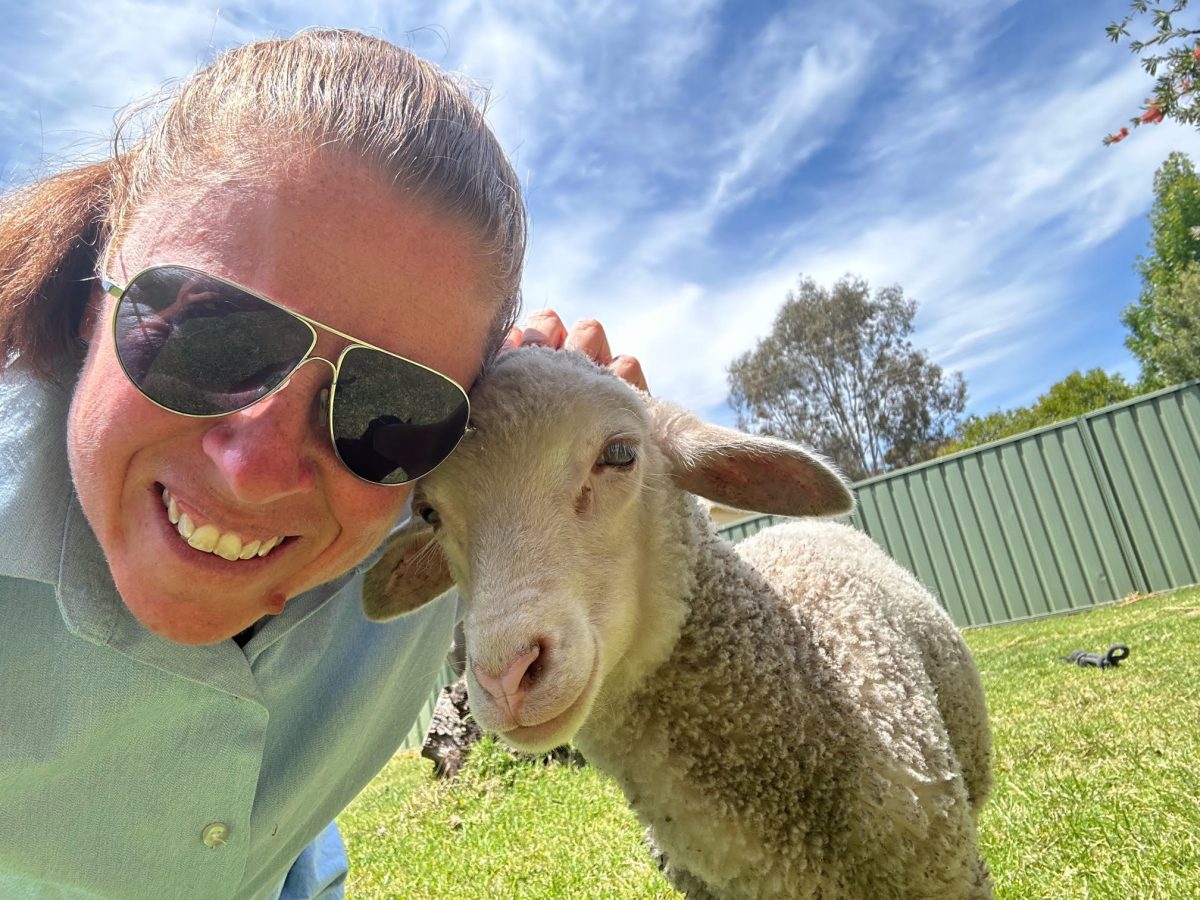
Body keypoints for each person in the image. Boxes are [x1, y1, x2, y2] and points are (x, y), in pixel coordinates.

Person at [0, 29, 642, 899]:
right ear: (91, 297)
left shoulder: (442, 518)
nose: (257, 471)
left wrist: (583, 463)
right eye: (207, 333)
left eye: (390, 410)